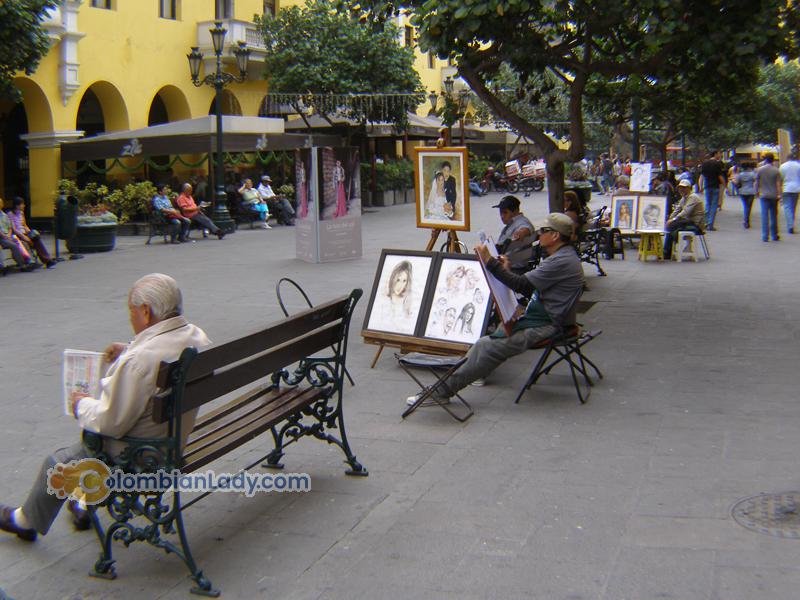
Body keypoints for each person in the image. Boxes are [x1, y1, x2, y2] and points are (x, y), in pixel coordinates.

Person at [0, 274, 210, 541]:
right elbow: (157, 357)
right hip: (174, 439)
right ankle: (85, 499)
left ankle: (25, 521)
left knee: (62, 461)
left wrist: (81, 405)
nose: (130, 318)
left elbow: (111, 422)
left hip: (143, 454)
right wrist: (128, 350)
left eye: (131, 311)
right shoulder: (195, 337)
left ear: (146, 311)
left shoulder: (140, 360)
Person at [406, 213, 583, 406]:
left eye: (543, 231)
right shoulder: (561, 256)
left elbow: (523, 285)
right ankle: (470, 373)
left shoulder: (560, 261)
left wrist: (489, 261)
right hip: (545, 316)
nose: (539, 234)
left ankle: (443, 391)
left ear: (555, 236)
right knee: (487, 340)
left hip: (549, 324)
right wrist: (504, 269)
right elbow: (529, 285)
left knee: (487, 345)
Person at [663, 179, 706, 260]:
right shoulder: (684, 198)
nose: (681, 189)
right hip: (688, 221)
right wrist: (669, 219)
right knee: (671, 225)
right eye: (680, 188)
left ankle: (666, 252)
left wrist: (673, 220)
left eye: (684, 188)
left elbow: (686, 212)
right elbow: (677, 210)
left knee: (673, 226)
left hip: (695, 224)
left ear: (689, 188)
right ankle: (667, 251)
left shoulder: (693, 197)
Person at [7, 196, 56, 267]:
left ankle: (48, 260)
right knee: (26, 242)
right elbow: (14, 229)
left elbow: (24, 225)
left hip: (24, 232)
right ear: (17, 205)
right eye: (22, 204)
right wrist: (23, 236)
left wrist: (30, 233)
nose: (24, 205)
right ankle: (30, 262)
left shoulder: (21, 213)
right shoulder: (10, 214)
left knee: (36, 238)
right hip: (17, 235)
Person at [0, 198, 38, 271]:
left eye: (1, 203)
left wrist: (9, 235)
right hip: (2, 237)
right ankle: (22, 265)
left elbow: (10, 227)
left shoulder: (4, 215)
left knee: (20, 242)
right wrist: (5, 236)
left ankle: (28, 261)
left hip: (8, 236)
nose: (0, 204)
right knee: (14, 245)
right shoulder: (9, 214)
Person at [756, 153, 782, 242]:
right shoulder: (776, 170)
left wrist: (756, 192)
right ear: (773, 160)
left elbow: (757, 182)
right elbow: (778, 184)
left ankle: (765, 236)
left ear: (765, 160)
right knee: (773, 215)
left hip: (763, 195)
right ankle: (774, 235)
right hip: (774, 195)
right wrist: (780, 195)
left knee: (764, 215)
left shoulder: (760, 170)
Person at [699, 150, 724, 230]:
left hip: (707, 186)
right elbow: (720, 176)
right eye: (719, 153)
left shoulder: (705, 163)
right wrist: (724, 184)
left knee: (707, 204)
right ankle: (710, 224)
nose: (720, 155)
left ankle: (705, 222)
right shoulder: (717, 164)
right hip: (715, 186)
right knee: (713, 206)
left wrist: (700, 186)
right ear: (715, 154)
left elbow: (702, 176)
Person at [779, 149, 800, 234]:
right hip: (796, 188)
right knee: (793, 207)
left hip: (786, 188)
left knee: (787, 207)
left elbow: (780, 179)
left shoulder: (783, 166)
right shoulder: (798, 165)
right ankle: (791, 223)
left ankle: (790, 225)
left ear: (787, 158)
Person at [735, 161, 757, 229]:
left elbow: (736, 183)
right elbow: (756, 181)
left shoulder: (740, 175)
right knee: (749, 207)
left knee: (745, 206)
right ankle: (746, 221)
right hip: (751, 191)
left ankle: (746, 220)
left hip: (742, 191)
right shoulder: (752, 174)